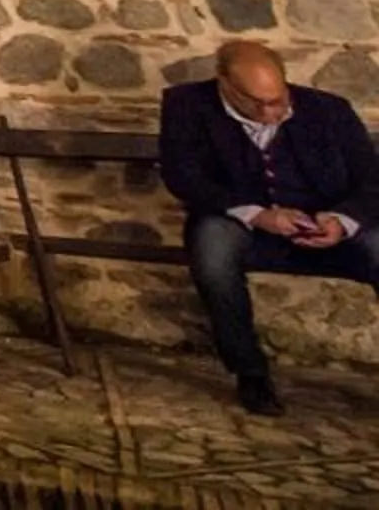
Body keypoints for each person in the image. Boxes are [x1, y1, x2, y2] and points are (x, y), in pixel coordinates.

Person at [159, 38, 379, 415]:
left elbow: (372, 181)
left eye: (277, 100)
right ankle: (250, 373)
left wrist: (341, 221)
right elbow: (184, 177)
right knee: (211, 248)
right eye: (255, 102)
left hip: (325, 229)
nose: (269, 111)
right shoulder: (187, 105)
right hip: (245, 226)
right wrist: (258, 214)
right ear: (224, 84)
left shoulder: (329, 110)